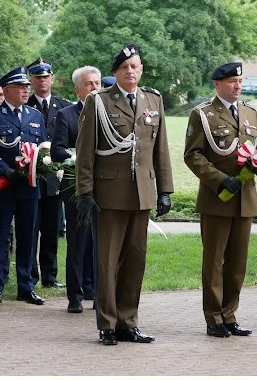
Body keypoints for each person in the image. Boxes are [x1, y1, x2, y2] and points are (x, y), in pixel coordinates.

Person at [75, 43, 173, 345]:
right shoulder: (99, 101)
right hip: (109, 194)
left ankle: (128, 322)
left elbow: (160, 149)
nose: (130, 71)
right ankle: (107, 324)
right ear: (116, 72)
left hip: (142, 193)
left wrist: (165, 189)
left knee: (135, 261)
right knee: (107, 262)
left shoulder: (153, 100)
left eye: (135, 66)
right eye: (124, 67)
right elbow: (85, 151)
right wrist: (85, 192)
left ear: (141, 70)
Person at [183, 62, 257, 338]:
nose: (237, 85)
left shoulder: (250, 112)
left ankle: (229, 315)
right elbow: (193, 155)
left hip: (244, 198)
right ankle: (214, 317)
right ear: (217, 84)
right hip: (217, 198)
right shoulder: (202, 114)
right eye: (231, 81)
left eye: (240, 81)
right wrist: (219, 179)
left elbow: (255, 150)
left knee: (238, 262)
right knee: (214, 261)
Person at [0, 66, 47, 306]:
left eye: (27, 87)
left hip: (29, 186)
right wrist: (3, 169)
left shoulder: (35, 116)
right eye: (20, 87)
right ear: (7, 91)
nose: (26, 91)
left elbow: (42, 148)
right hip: (3, 185)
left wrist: (37, 167)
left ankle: (26, 286)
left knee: (27, 238)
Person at [51, 65, 101, 313]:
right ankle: (75, 296)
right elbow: (56, 150)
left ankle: (97, 292)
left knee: (101, 243)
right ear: (77, 89)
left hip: (104, 187)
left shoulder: (107, 113)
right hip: (75, 187)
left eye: (97, 83)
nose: (94, 88)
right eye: (89, 84)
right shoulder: (66, 115)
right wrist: (76, 157)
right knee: (78, 242)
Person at [27, 58, 71, 288]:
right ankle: (30, 275)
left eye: (46, 77)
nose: (42, 81)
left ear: (52, 79)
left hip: (55, 178)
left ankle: (50, 275)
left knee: (51, 230)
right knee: (30, 229)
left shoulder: (63, 107)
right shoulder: (26, 106)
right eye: (38, 77)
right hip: (30, 176)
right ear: (32, 81)